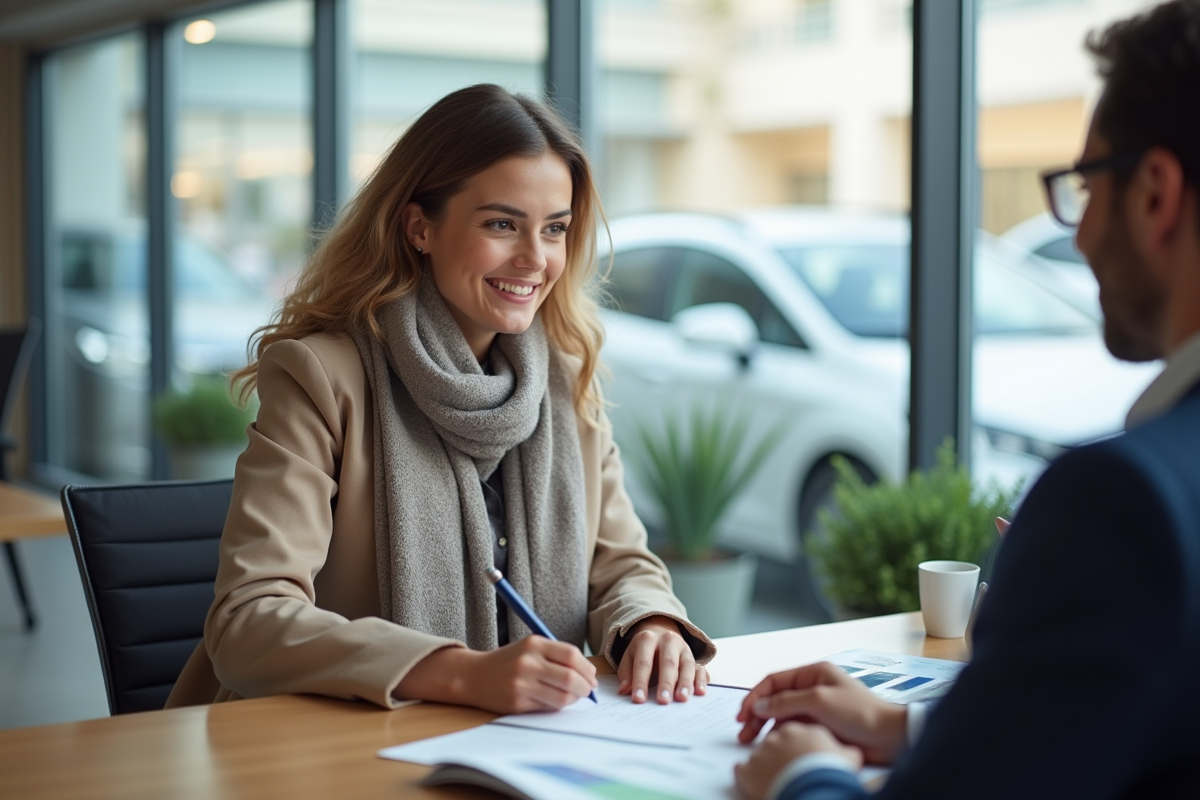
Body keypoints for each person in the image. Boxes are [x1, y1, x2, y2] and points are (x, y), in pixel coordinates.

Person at [733, 2, 1200, 798]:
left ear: (1156, 192)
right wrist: (904, 727)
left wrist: (804, 778)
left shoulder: (1126, 500)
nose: (1077, 238)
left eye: (1084, 187)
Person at [166, 84, 715, 715]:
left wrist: (651, 625)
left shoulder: (563, 380)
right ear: (420, 227)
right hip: (334, 747)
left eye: (555, 229)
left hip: (525, 744)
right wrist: (456, 674)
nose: (535, 259)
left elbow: (622, 568)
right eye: (502, 224)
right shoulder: (320, 375)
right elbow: (247, 622)